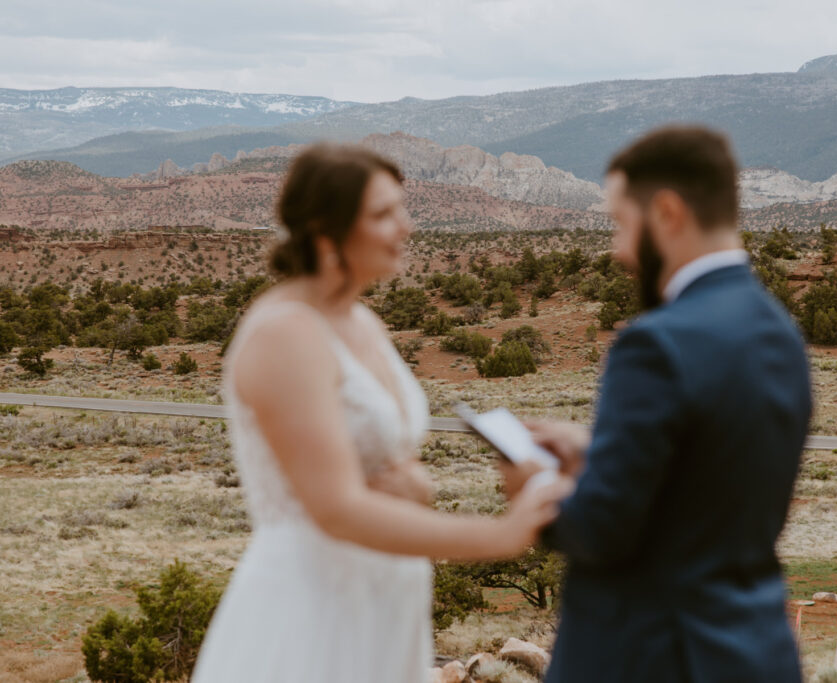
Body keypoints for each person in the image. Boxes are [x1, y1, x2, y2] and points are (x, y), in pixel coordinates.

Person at [191, 143, 571, 683]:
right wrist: (503, 536)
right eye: (383, 214)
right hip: (312, 606)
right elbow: (337, 509)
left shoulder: (362, 322)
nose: (407, 227)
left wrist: (414, 484)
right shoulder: (286, 334)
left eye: (401, 208)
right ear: (327, 230)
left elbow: (389, 464)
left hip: (385, 599)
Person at [507, 126, 812, 682]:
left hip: (648, 655)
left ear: (667, 213)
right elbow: (711, 485)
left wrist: (534, 483)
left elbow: (599, 529)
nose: (619, 250)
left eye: (622, 224)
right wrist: (598, 453)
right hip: (753, 653)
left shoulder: (655, 343)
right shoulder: (778, 330)